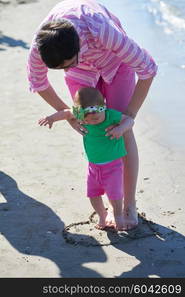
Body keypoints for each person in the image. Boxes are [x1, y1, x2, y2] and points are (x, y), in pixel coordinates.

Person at [27, 0, 158, 230]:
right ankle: (107, 205)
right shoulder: (40, 47)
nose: (66, 66)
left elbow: (148, 69)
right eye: (62, 67)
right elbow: (38, 82)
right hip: (81, 75)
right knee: (93, 129)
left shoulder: (101, 31)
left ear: (78, 44)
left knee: (119, 131)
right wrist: (69, 114)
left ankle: (129, 204)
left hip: (115, 63)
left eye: (69, 62)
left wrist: (129, 116)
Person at [39, 87, 134, 230]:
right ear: (81, 113)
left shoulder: (110, 115)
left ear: (103, 108)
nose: (93, 121)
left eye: (96, 118)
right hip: (93, 167)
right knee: (93, 195)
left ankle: (118, 217)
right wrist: (52, 118)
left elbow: (129, 120)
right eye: (87, 119)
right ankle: (102, 215)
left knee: (115, 195)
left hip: (113, 166)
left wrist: (120, 129)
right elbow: (66, 113)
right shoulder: (81, 113)